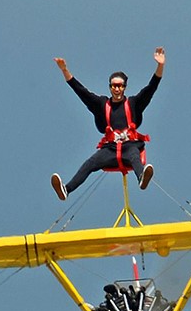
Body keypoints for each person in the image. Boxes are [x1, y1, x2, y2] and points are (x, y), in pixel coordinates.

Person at [50, 47, 165, 200]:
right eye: (114, 85)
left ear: (124, 87)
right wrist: (65, 70)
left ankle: (142, 178)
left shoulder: (133, 103)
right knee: (90, 163)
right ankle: (66, 190)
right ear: (110, 87)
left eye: (120, 85)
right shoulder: (101, 104)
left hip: (130, 145)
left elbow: (151, 88)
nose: (117, 88)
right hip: (109, 149)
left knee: (134, 156)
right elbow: (81, 91)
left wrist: (160, 66)